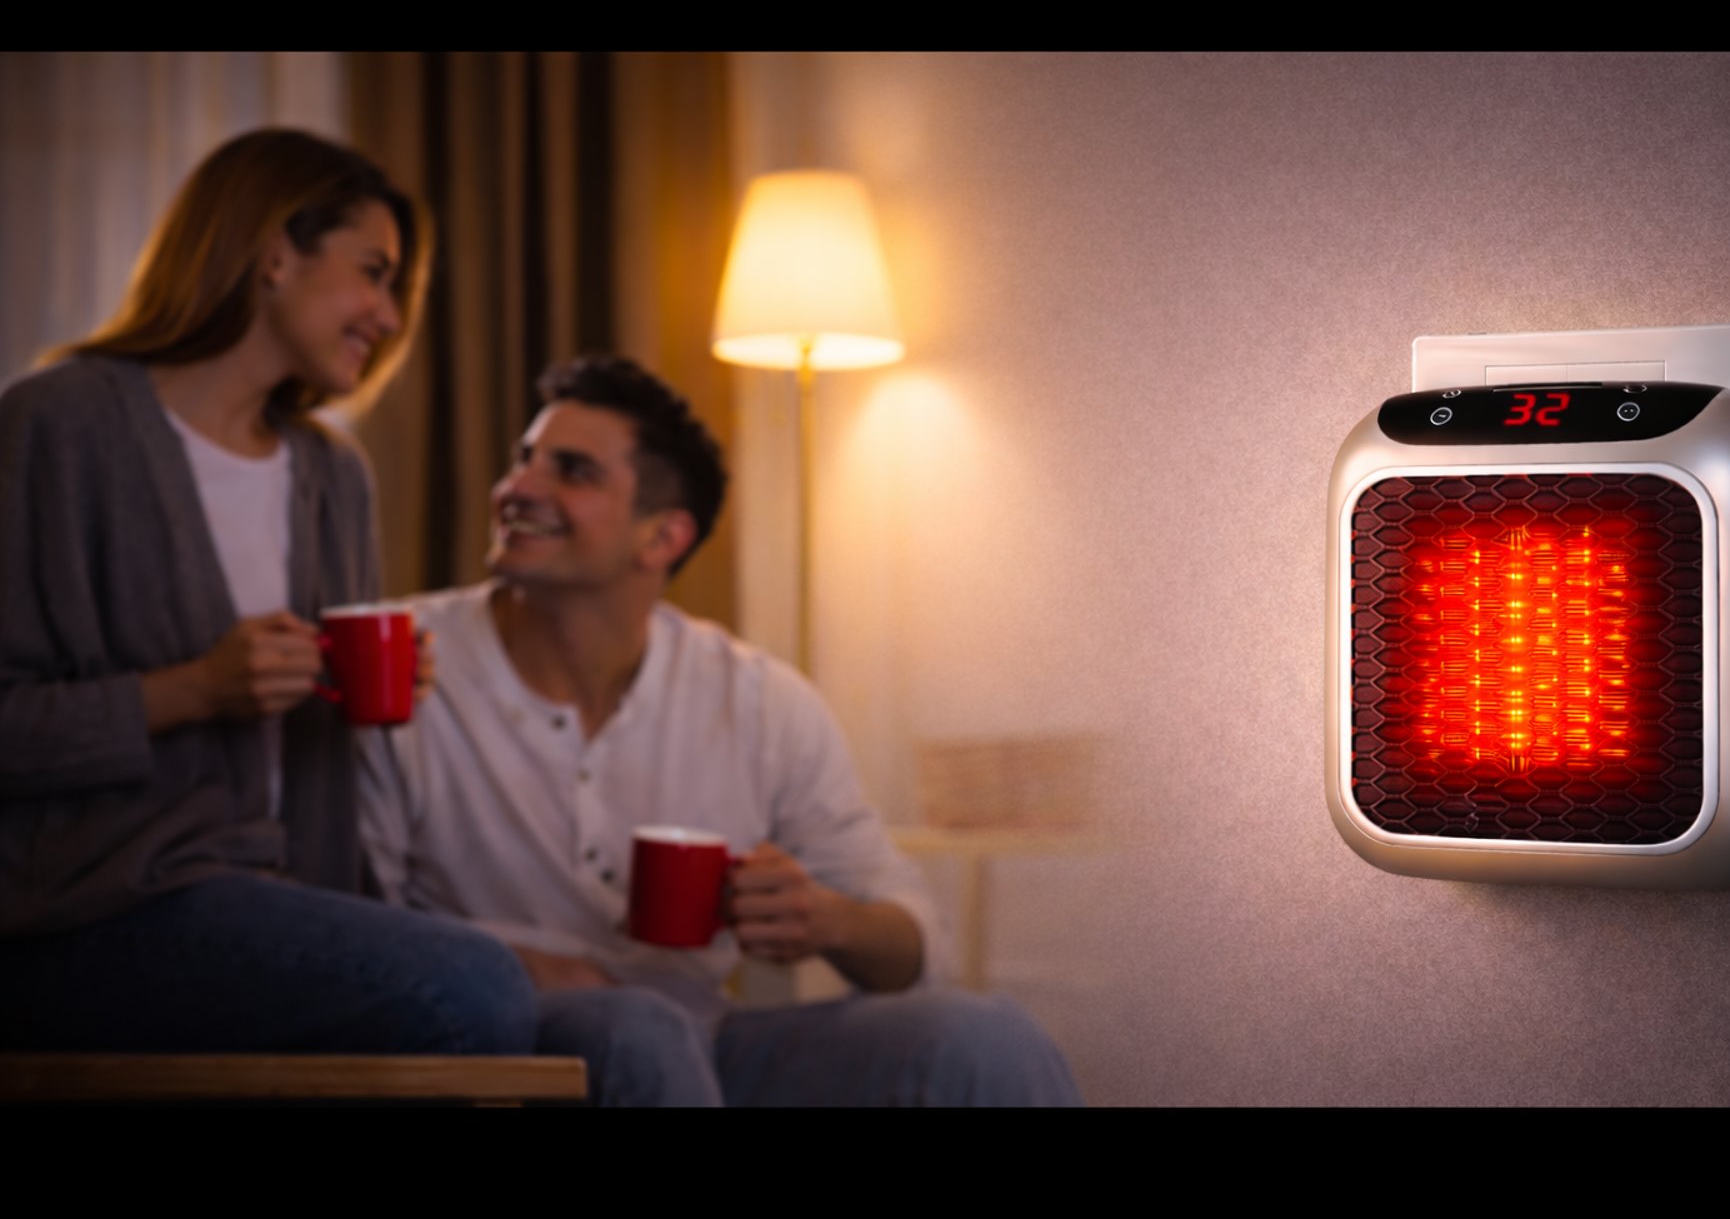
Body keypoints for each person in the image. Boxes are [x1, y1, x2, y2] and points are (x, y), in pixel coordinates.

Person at [358, 355, 1082, 1105]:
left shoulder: (758, 701)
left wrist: (827, 920)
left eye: (571, 472)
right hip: (502, 1052)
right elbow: (344, 927)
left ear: (662, 538)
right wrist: (520, 971)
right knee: (636, 1028)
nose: (516, 489)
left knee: (984, 1036)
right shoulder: (399, 665)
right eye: (523, 461)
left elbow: (917, 948)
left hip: (708, 1043)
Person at [0, 129, 535, 1055]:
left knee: (611, 1025)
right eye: (373, 272)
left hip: (290, 905)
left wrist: (374, 694)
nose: (389, 315)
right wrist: (194, 691)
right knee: (471, 987)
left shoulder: (333, 475)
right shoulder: (59, 425)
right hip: (89, 912)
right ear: (275, 251)